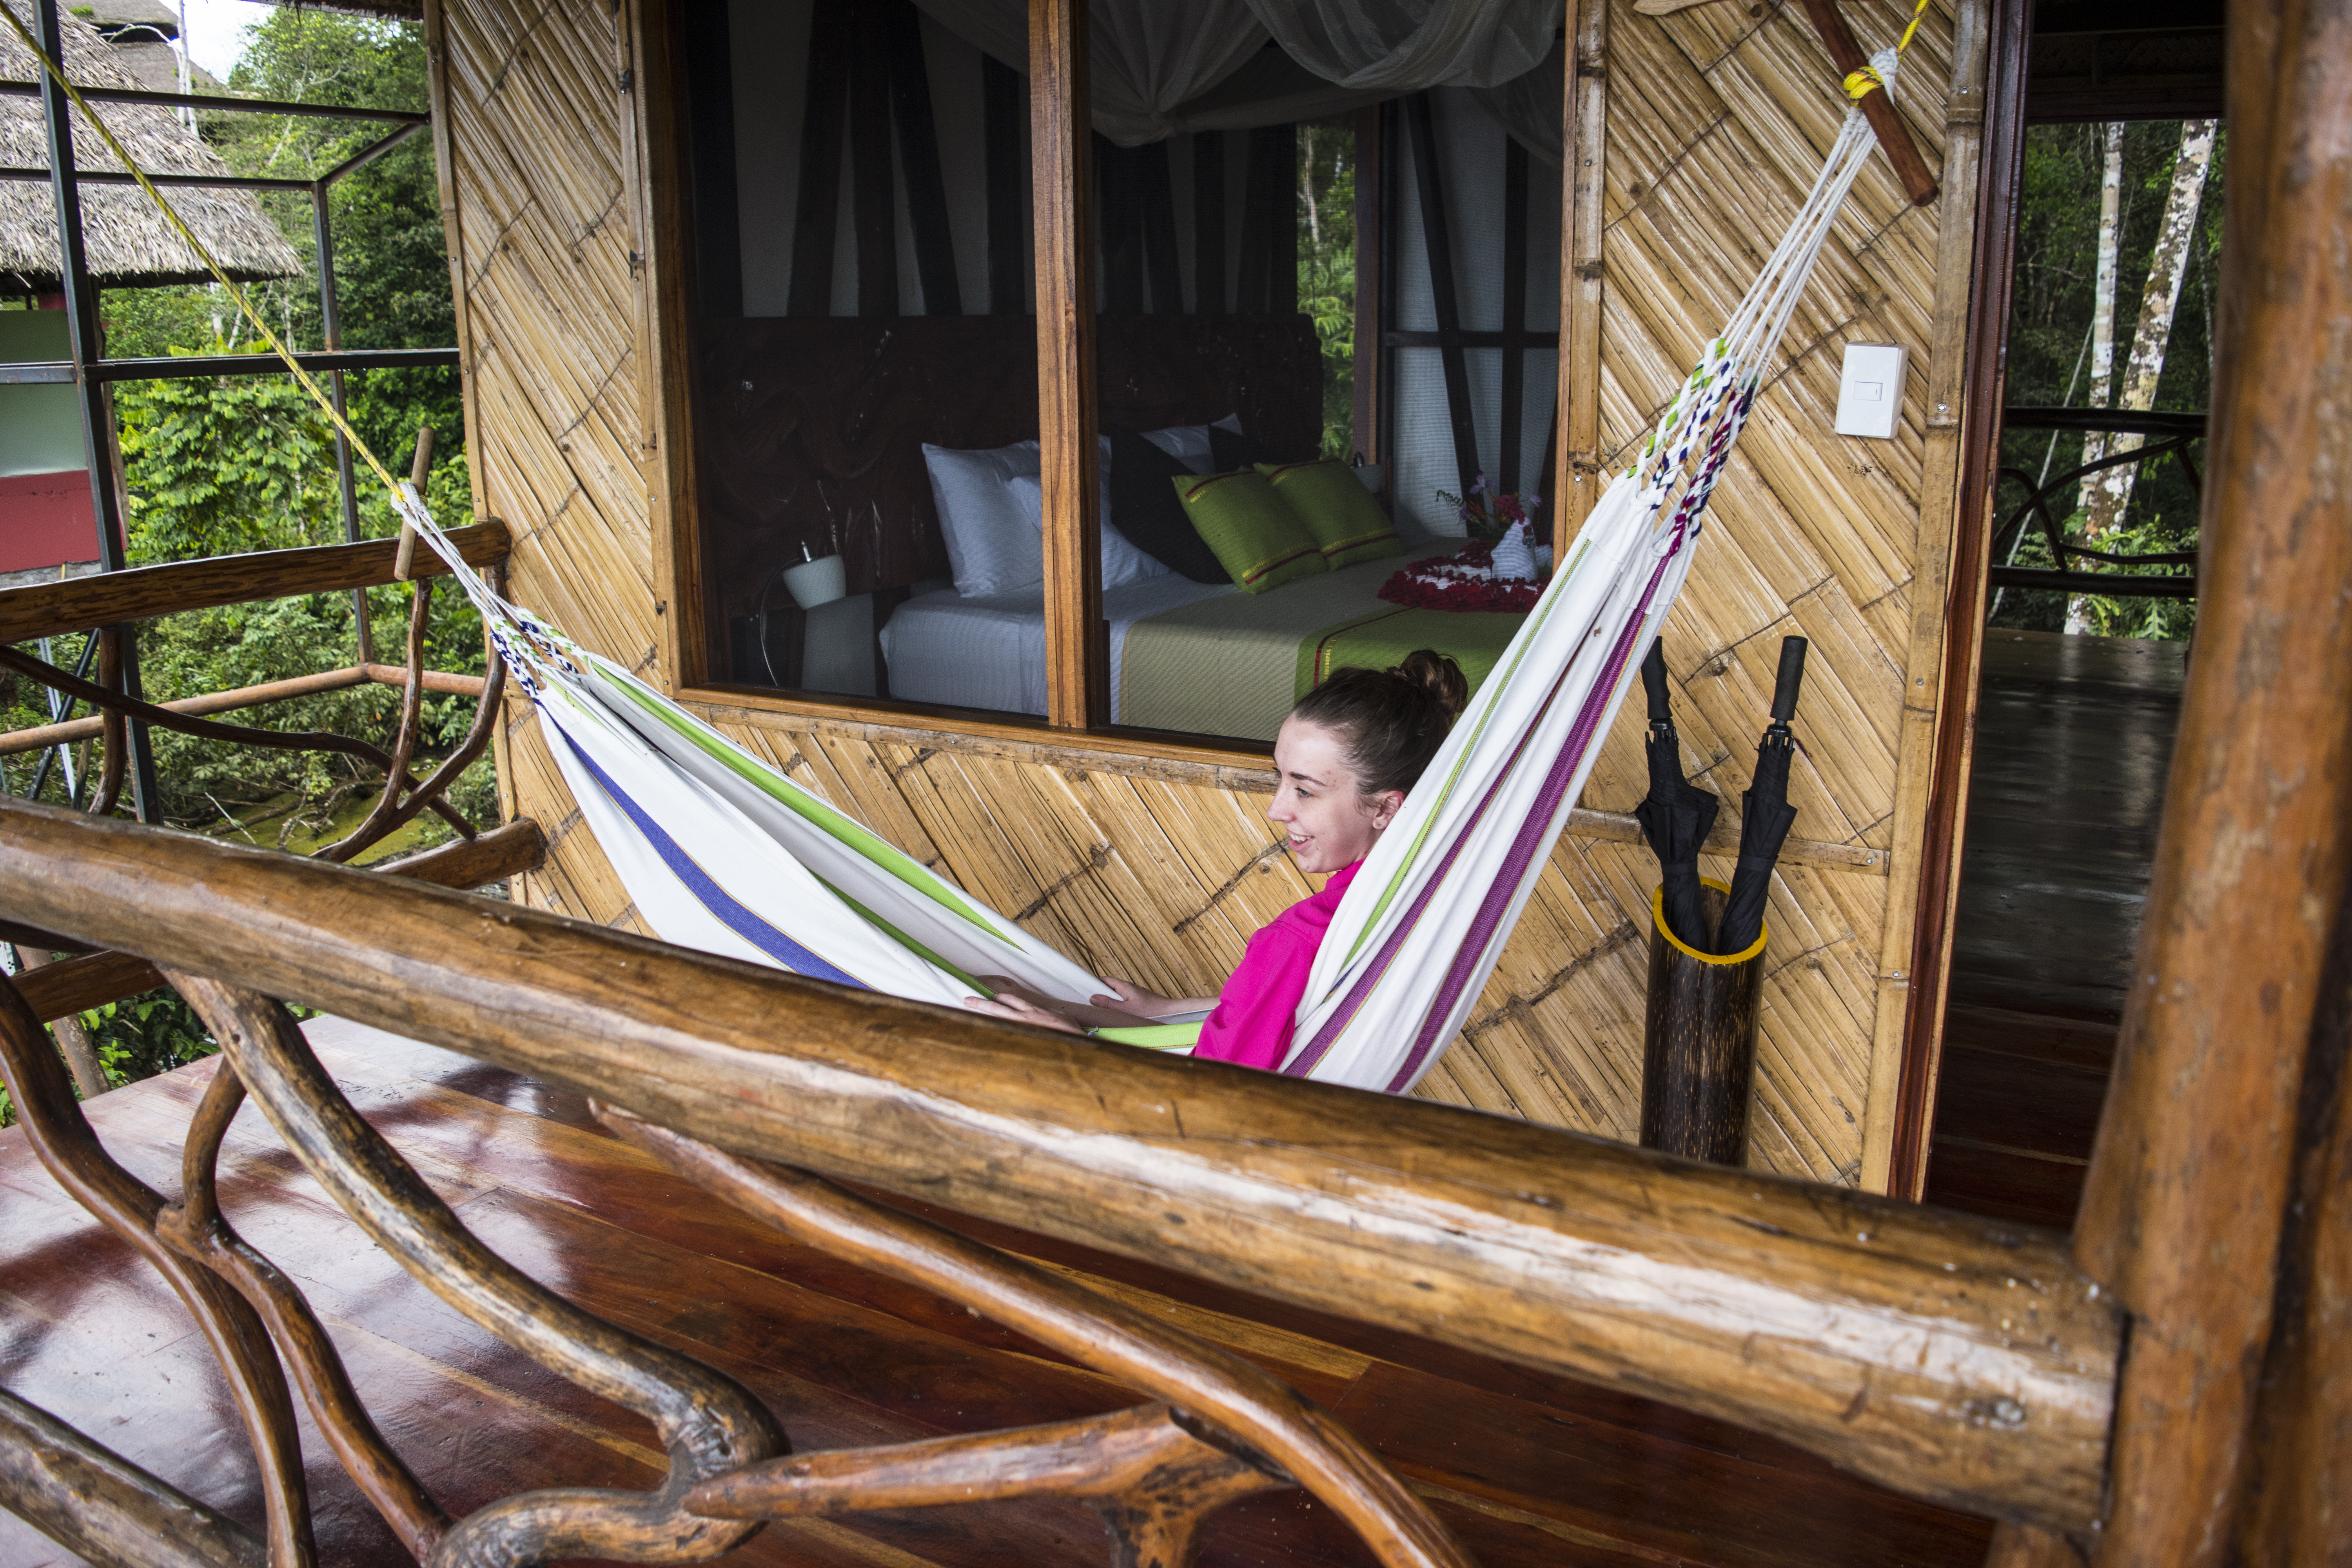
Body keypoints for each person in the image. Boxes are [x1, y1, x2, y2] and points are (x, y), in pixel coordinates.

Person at [965, 650, 1469, 1069]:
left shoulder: (1295, 941)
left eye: (1305, 790)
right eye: (1280, 778)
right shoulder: (1420, 892)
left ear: (1385, 807)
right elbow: (1304, 1002)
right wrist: (1167, 1009)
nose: (1277, 808)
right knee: (1014, 993)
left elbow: (1210, 1095)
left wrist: (1072, 1049)